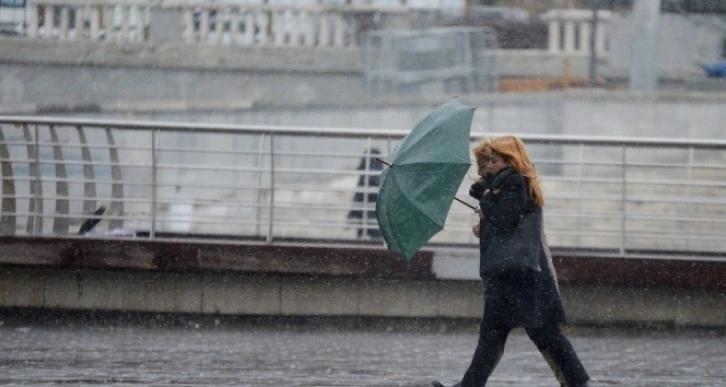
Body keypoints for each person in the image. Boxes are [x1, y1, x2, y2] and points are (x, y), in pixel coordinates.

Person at [432, 135, 590, 387]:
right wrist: (485, 222)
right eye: (489, 161)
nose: (489, 166)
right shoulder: (507, 186)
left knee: (541, 333)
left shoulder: (516, 183)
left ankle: (577, 383)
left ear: (511, 160)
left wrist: (486, 204)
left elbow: (506, 218)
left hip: (520, 275)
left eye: (495, 161)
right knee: (496, 335)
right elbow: (510, 224)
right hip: (513, 274)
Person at [347, 148, 383, 239]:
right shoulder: (381, 178)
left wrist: (351, 216)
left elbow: (358, 199)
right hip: (379, 224)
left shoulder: (364, 178)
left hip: (366, 223)